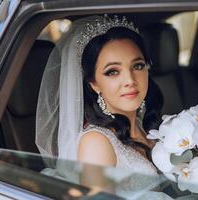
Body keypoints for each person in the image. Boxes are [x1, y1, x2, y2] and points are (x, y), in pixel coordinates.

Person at [35, 15, 163, 176]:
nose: (130, 80)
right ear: (93, 84)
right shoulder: (96, 142)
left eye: (137, 66)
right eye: (113, 72)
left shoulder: (148, 124)